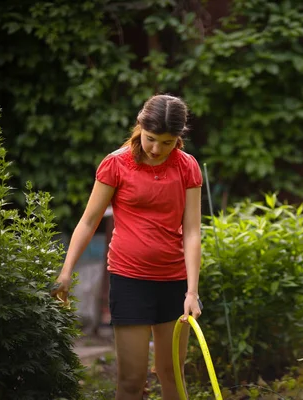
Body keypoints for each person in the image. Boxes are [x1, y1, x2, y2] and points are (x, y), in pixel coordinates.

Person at [53, 94, 203, 400]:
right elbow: (88, 221)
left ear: (179, 137)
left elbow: (191, 232)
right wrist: (66, 272)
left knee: (172, 373)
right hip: (130, 280)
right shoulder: (116, 164)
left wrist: (191, 291)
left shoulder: (187, 167)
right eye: (151, 139)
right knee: (131, 381)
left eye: (167, 141)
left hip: (174, 282)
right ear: (139, 126)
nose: (157, 149)